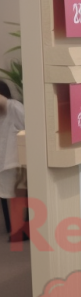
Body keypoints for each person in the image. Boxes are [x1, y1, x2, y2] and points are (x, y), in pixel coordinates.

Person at [0, 82, 25, 239]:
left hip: (14, 161)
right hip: (8, 161)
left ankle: (18, 230)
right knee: (13, 196)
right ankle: (17, 229)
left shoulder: (12, 106)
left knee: (16, 196)